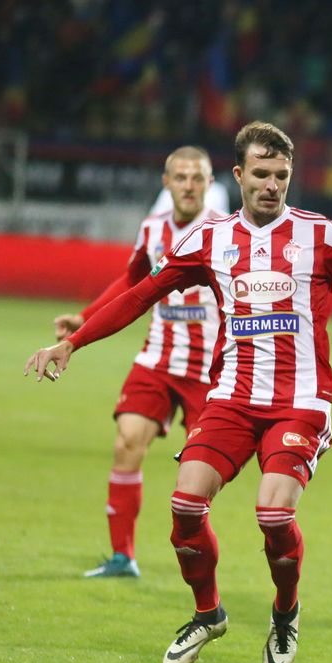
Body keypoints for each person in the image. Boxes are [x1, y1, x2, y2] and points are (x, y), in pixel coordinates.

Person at [24, 121, 332, 663]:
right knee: (185, 507)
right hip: (231, 397)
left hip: (301, 399)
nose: (271, 185)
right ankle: (207, 614)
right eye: (261, 174)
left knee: (274, 513)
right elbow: (141, 295)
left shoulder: (321, 235)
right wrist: (74, 341)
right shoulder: (207, 240)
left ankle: (285, 613)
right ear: (237, 176)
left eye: (281, 176)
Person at [53, 146, 222, 579]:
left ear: (210, 183)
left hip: (213, 368)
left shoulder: (226, 232)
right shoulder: (152, 229)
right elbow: (133, 282)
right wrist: (85, 317)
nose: (188, 186)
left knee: (199, 480)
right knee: (127, 442)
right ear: (166, 183)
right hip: (158, 359)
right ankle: (122, 556)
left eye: (197, 178)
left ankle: (197, 560)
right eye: (180, 177)